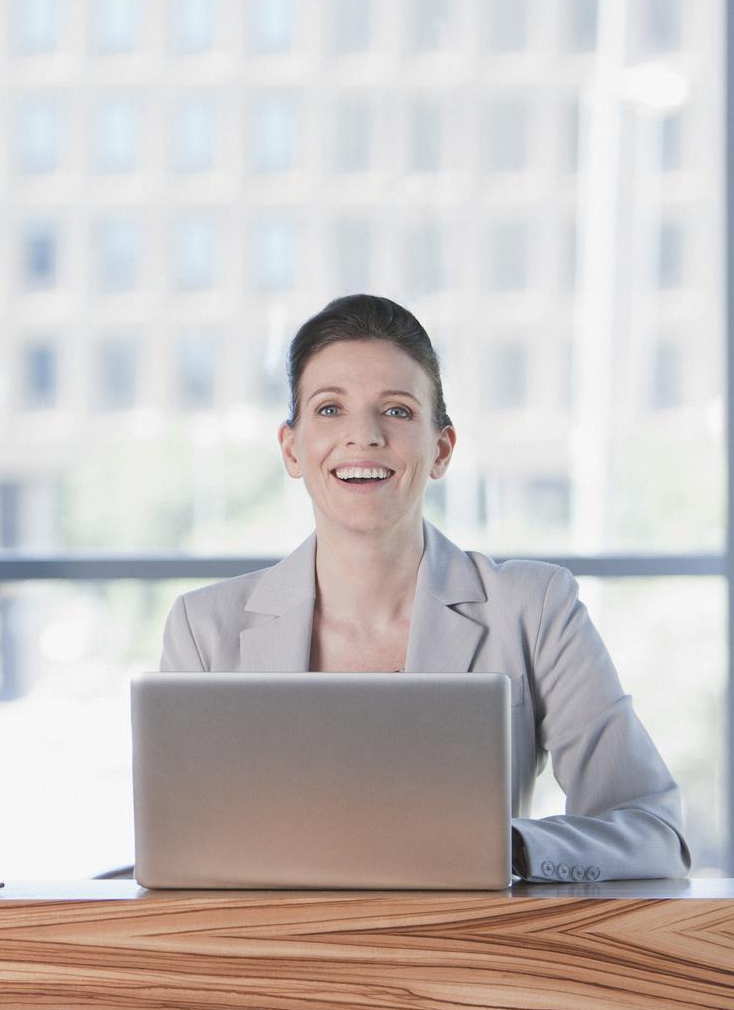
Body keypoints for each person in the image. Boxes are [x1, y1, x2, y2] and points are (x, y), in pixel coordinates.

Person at [161, 294, 690, 882]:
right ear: (292, 447)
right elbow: (180, 851)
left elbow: (653, 831)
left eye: (398, 411)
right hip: (277, 963)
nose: (363, 435)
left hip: (462, 962)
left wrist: (502, 846)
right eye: (330, 409)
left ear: (441, 449)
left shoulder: (534, 609)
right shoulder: (204, 631)